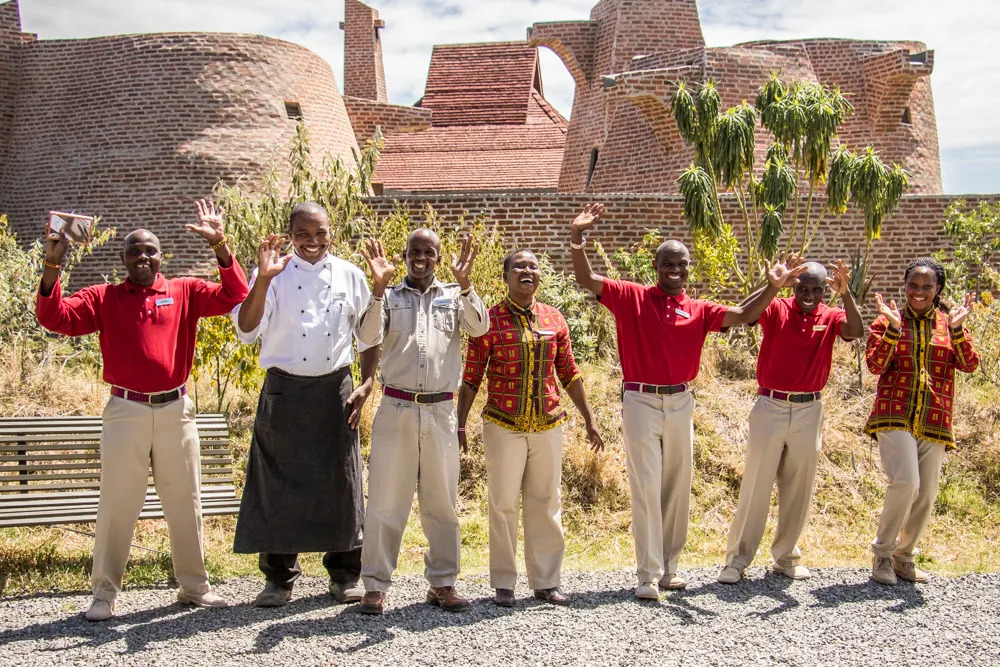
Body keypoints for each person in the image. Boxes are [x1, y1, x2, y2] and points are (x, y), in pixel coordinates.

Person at [569, 202, 806, 600]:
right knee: (646, 485)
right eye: (668, 265)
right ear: (656, 266)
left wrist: (773, 287)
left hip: (681, 402)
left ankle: (670, 568)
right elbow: (586, 277)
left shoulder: (698, 309)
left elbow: (744, 314)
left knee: (678, 486)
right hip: (641, 401)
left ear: (688, 268)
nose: (675, 271)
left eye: (681, 265)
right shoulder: (631, 297)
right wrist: (577, 238)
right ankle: (647, 574)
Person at [35, 199, 249, 621]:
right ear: (123, 260)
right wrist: (52, 265)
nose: (143, 257)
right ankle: (104, 594)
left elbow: (235, 295)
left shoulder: (183, 291)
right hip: (126, 410)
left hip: (175, 410)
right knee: (117, 504)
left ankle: (194, 587)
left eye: (149, 250)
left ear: (160, 256)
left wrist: (220, 245)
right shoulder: (105, 297)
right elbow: (53, 317)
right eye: (134, 251)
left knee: (185, 502)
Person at [231, 201, 379, 607]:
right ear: (290, 234)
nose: (312, 242)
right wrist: (262, 279)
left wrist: (367, 382)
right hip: (284, 392)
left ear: (332, 232)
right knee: (276, 483)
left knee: (342, 481)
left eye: (320, 233)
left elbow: (369, 335)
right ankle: (279, 579)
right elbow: (246, 330)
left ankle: (345, 573)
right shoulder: (273, 275)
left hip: (336, 390)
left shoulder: (350, 274)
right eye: (303, 234)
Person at [458, 248, 604, 608]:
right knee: (503, 503)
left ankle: (546, 581)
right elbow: (472, 376)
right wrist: (458, 424)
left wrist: (589, 418)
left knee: (546, 502)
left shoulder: (554, 319)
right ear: (506, 276)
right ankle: (504, 583)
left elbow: (568, 372)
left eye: (533, 267)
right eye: (519, 266)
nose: (527, 271)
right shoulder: (487, 320)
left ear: (540, 276)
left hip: (548, 424)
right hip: (502, 424)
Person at [354, 230, 488, 615]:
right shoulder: (390, 298)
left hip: (441, 412)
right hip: (396, 408)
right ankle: (376, 586)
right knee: (384, 501)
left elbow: (479, 328)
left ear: (438, 257)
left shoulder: (451, 295)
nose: (422, 258)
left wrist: (466, 284)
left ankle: (443, 583)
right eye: (415, 251)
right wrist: (377, 290)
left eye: (429, 252)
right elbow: (364, 335)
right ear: (405, 254)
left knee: (442, 501)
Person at [717, 260, 863, 584]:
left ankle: (786, 557)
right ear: (793, 287)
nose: (809, 295)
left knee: (799, 487)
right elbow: (747, 314)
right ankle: (737, 560)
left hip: (809, 410)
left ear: (825, 291)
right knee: (756, 484)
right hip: (771, 404)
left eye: (816, 289)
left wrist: (847, 293)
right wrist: (773, 286)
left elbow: (856, 330)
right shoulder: (778, 308)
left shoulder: (831, 316)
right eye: (803, 288)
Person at [865, 258, 978, 585]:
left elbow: (970, 364)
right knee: (908, 483)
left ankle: (904, 557)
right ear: (905, 286)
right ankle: (883, 553)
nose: (918, 291)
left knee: (927, 493)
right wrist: (893, 331)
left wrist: (957, 331)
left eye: (926, 286)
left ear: (937, 289)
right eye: (913, 285)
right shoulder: (888, 320)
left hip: (934, 418)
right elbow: (875, 364)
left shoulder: (949, 323)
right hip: (894, 414)